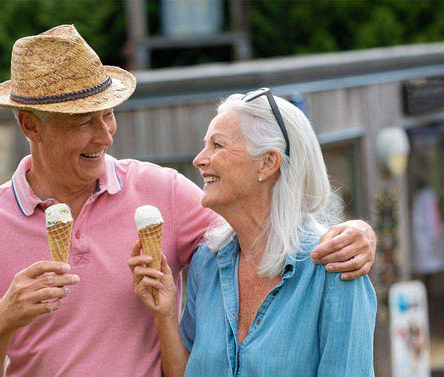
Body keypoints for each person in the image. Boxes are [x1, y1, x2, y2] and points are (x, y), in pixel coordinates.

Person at [0, 25, 377, 377]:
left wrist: (359, 232)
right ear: (30, 125)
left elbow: (260, 220)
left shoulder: (161, 191)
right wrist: (2, 320)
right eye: (83, 123)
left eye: (108, 114)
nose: (105, 134)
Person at [129, 89, 377, 376]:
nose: (199, 159)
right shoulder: (206, 263)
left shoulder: (335, 267)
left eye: (217, 145)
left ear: (268, 162)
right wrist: (165, 314)